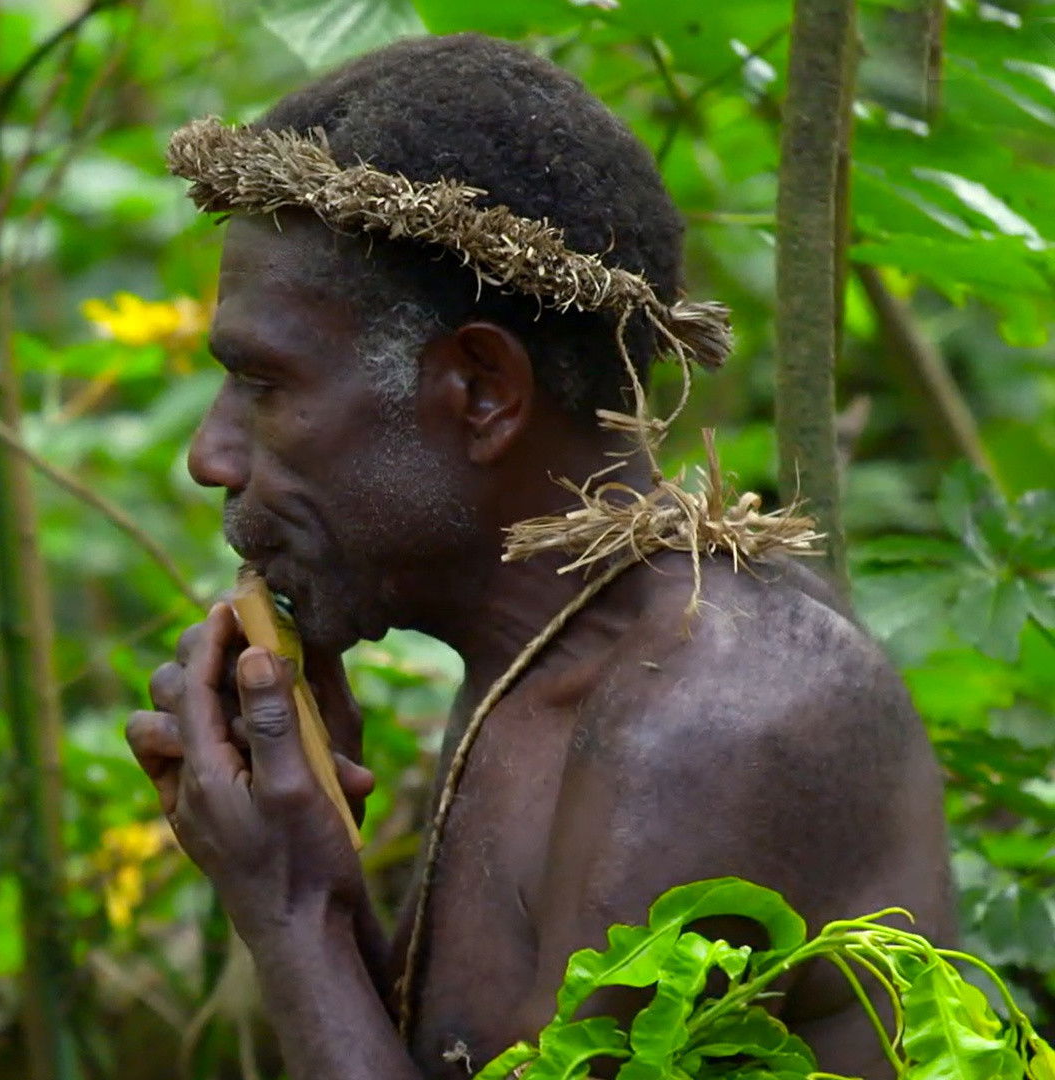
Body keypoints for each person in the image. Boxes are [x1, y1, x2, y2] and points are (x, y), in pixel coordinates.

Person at [124, 33, 954, 1079]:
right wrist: (319, 877)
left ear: (481, 392)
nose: (211, 456)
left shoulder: (710, 720)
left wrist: (289, 909)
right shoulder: (538, 661)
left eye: (265, 384)